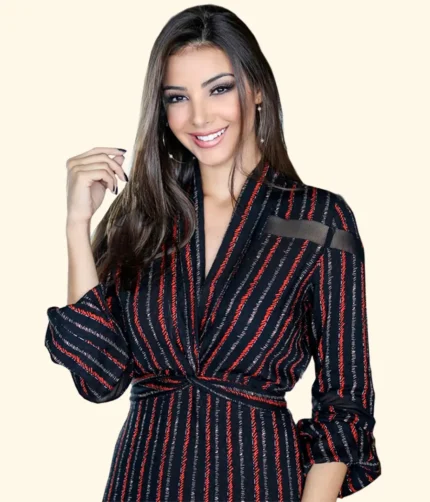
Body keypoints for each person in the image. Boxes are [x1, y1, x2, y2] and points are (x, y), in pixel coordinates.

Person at [44, 4, 381, 501]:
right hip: (143, 483)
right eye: (178, 97)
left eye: (219, 89)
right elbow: (99, 378)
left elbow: (345, 401)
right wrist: (77, 225)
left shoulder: (320, 219)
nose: (199, 116)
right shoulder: (145, 219)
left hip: (258, 480)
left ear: (257, 89)